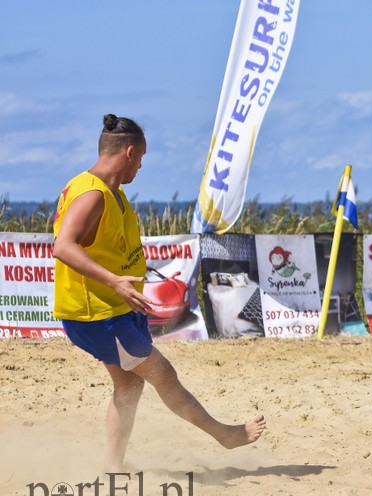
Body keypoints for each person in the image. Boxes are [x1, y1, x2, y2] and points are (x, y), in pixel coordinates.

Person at [53, 114, 266, 471]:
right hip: (98, 314)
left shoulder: (106, 190)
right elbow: (63, 246)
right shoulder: (92, 194)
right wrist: (114, 280)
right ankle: (224, 435)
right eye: (142, 158)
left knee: (129, 387)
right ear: (129, 152)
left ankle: (111, 468)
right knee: (161, 374)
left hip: (112, 310)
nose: (141, 166)